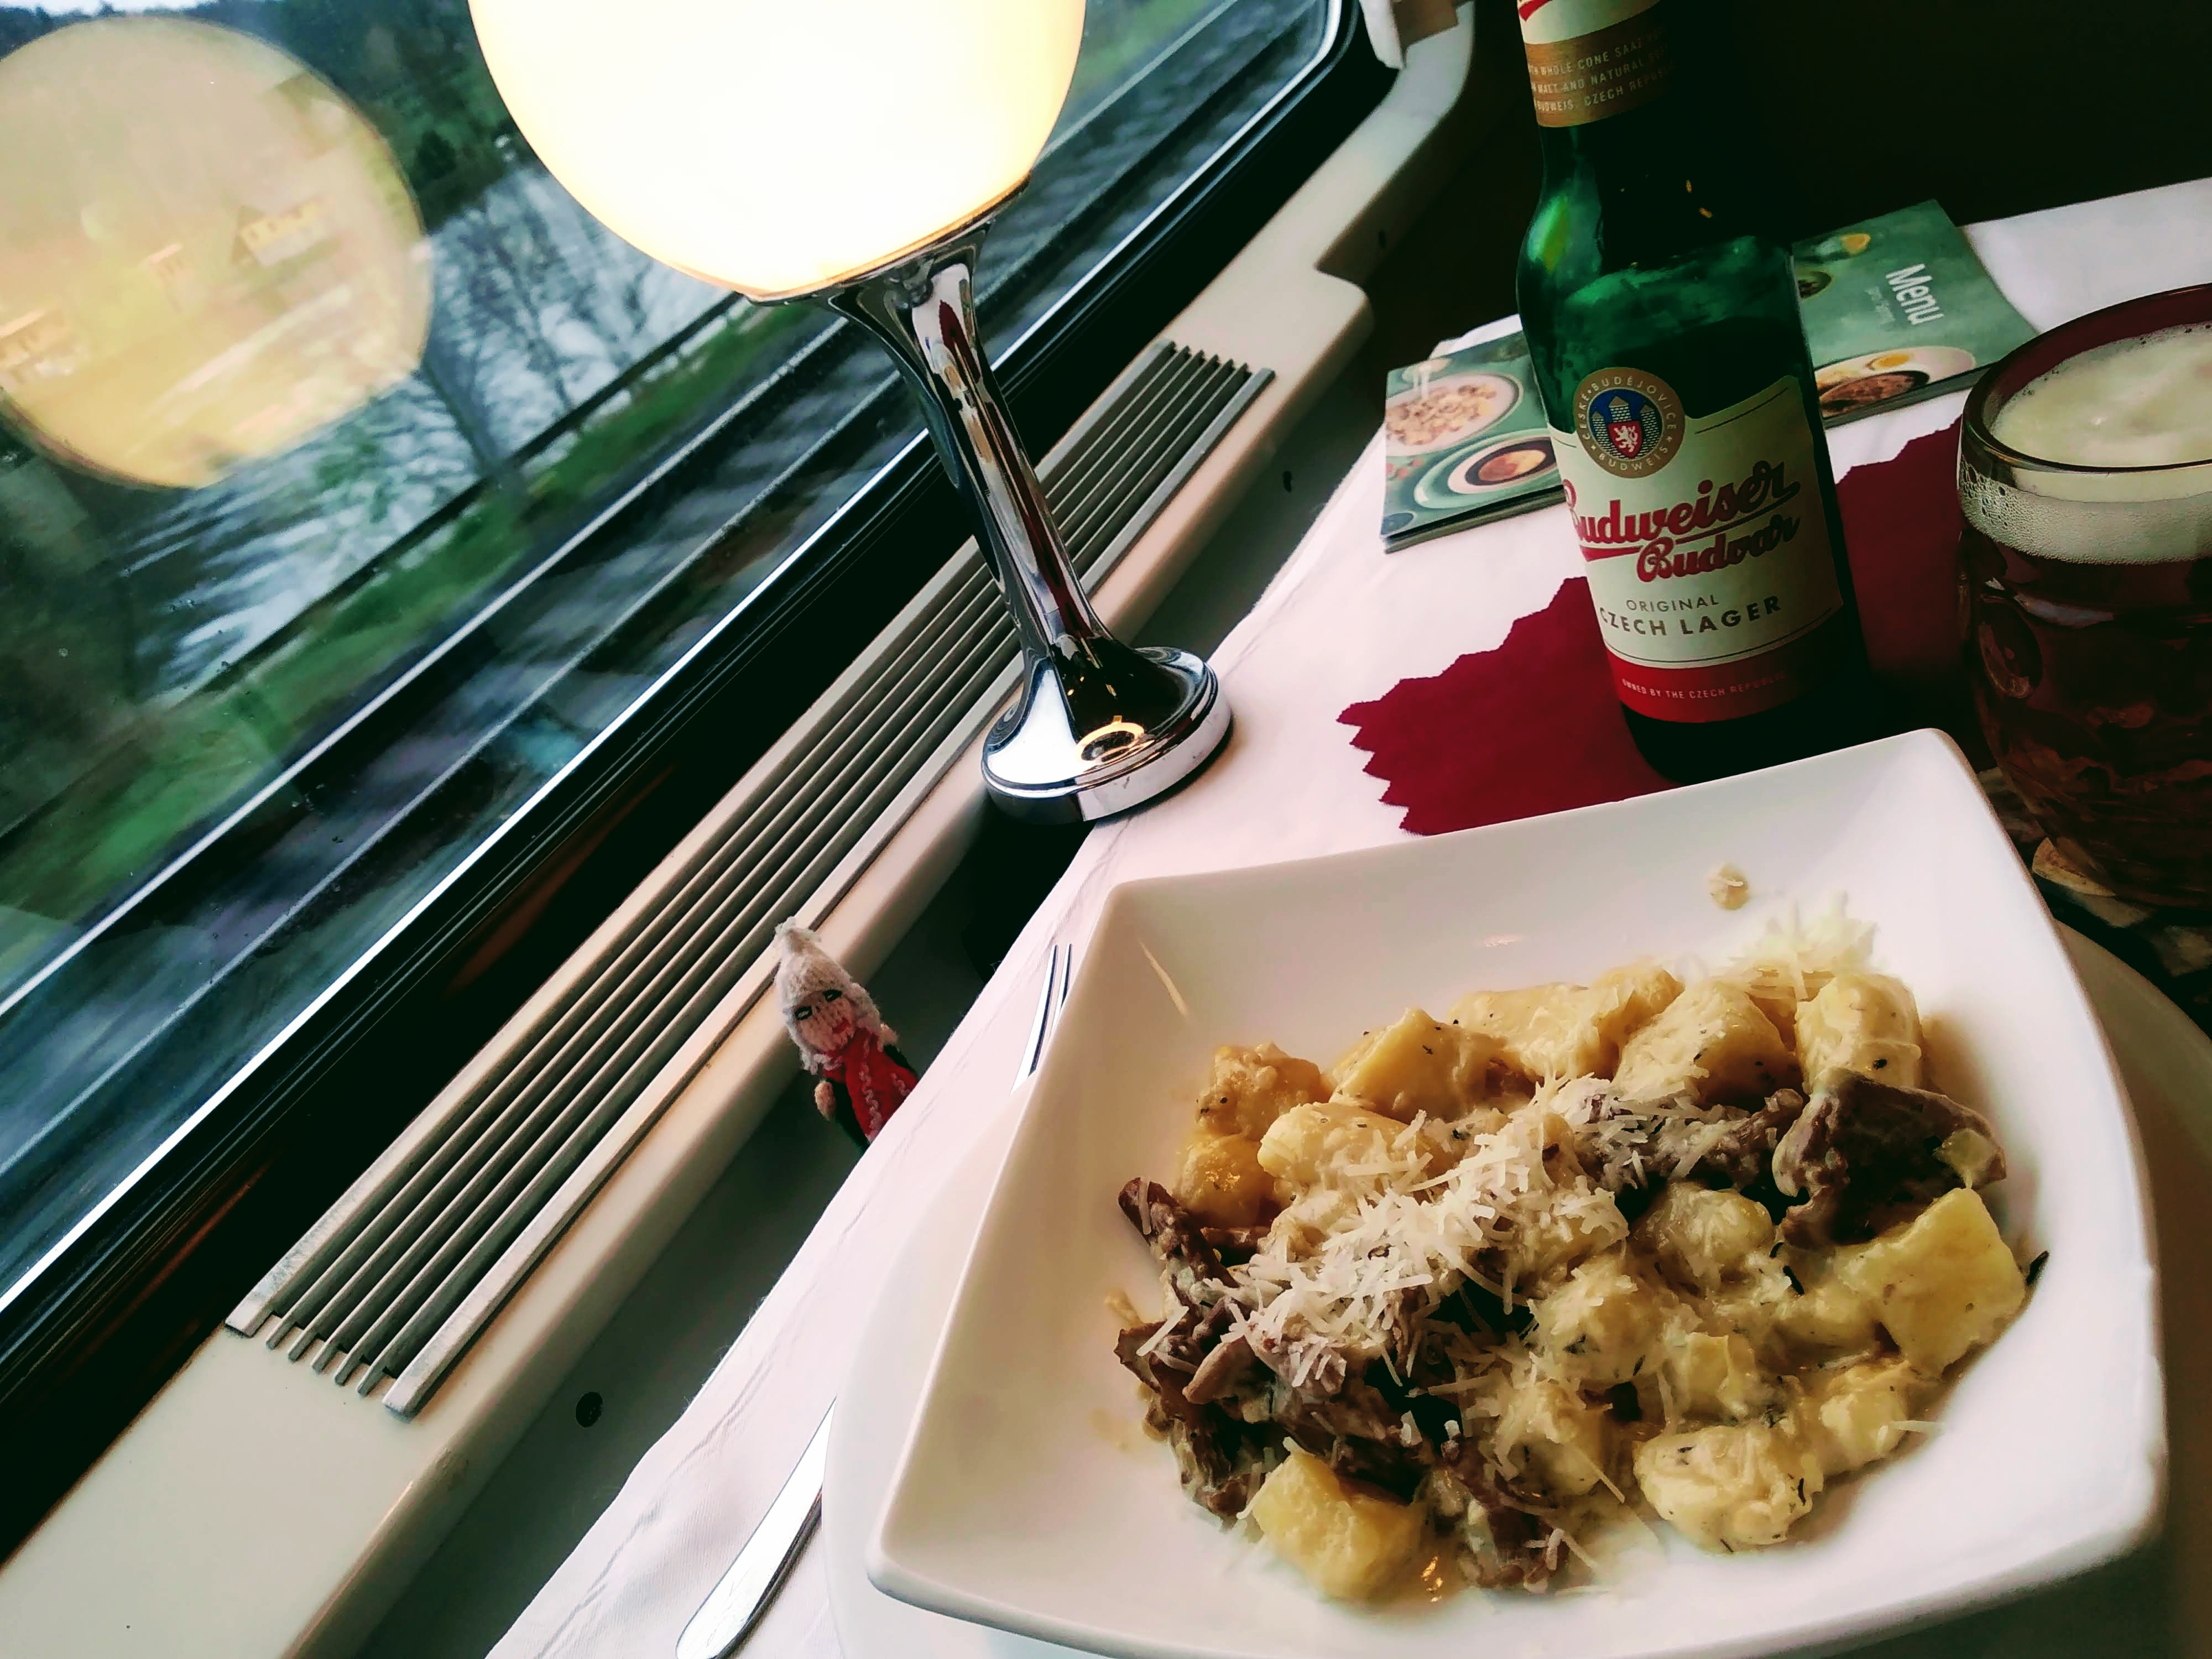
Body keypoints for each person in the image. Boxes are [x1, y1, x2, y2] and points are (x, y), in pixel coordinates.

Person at [773, 921, 918, 1146]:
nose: (828, 1015)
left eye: (831, 996)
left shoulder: (878, 1041)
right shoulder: (834, 1088)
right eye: (807, 1013)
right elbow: (857, 1134)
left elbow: (909, 1073)